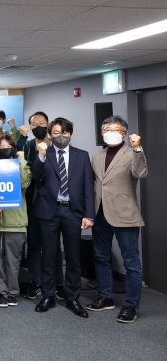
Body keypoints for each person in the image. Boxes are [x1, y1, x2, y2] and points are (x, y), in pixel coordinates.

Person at [86, 116, 148, 323]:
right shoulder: (96, 156)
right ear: (102, 132)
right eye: (107, 129)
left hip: (124, 214)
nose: (111, 133)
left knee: (131, 263)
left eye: (117, 130)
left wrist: (138, 148)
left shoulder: (131, 153)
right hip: (99, 214)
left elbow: (141, 172)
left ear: (124, 133)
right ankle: (105, 297)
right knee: (101, 258)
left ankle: (131, 305)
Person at [32, 117, 94, 318]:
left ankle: (72, 297)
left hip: (72, 212)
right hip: (49, 211)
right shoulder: (44, 154)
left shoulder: (82, 156)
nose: (61, 137)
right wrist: (40, 157)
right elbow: (35, 177)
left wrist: (89, 215)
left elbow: (88, 188)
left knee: (73, 257)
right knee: (49, 255)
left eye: (64, 133)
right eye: (56, 133)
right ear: (50, 135)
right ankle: (48, 295)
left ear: (70, 134)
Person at [22, 111, 64, 300]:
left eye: (41, 122)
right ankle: (35, 281)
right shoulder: (28, 145)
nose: (37, 125)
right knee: (33, 244)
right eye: (34, 123)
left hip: (54, 203)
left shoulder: (58, 145)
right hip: (32, 202)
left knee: (53, 245)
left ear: (48, 124)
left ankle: (58, 283)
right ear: (30, 127)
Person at [0, 135, 31, 308]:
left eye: (8, 146)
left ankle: (13, 292)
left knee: (13, 260)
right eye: (1, 146)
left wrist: (20, 160)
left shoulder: (22, 165)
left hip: (16, 222)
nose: (5, 148)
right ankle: (1, 292)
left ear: (13, 148)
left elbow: (24, 182)